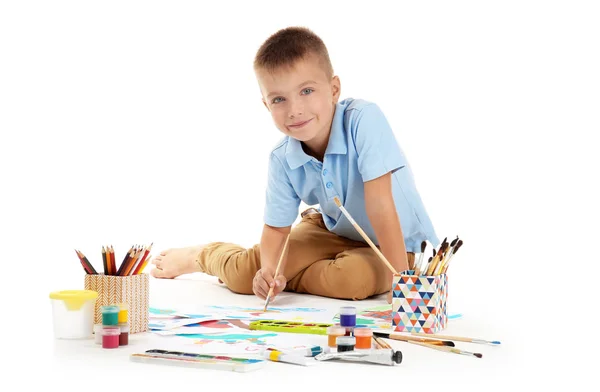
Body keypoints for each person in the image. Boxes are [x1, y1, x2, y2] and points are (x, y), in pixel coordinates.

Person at [150, 26, 439, 303]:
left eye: (307, 91)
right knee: (244, 278)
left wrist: (401, 279)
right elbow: (277, 229)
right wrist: (269, 273)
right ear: (266, 105)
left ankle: (297, 274)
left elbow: (380, 204)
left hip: (396, 246)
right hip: (330, 232)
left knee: (352, 280)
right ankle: (201, 256)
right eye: (279, 99)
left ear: (334, 89)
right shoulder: (282, 156)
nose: (294, 110)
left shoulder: (363, 120)